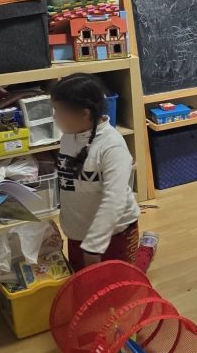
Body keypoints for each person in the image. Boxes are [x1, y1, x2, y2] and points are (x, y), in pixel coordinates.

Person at [51, 74, 157, 272]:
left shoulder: (111, 146)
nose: (54, 117)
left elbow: (114, 201)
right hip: (78, 233)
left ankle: (147, 248)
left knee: (124, 279)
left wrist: (93, 245)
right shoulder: (69, 136)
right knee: (86, 281)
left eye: (59, 110)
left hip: (114, 233)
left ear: (84, 114)